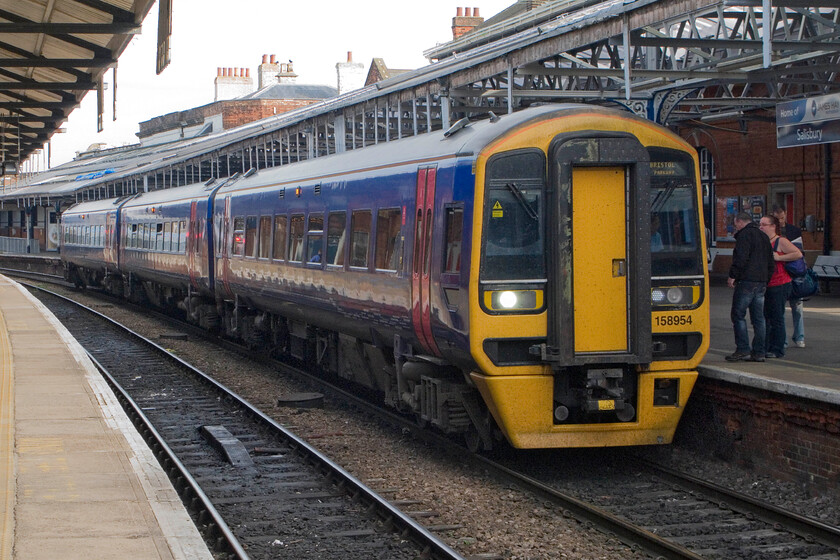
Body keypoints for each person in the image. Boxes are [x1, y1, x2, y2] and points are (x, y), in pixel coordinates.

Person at [726, 212, 774, 362]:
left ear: (740, 221)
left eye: (736, 224)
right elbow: (770, 261)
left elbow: (741, 258)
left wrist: (733, 275)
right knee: (758, 318)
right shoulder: (764, 236)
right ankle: (759, 352)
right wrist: (766, 278)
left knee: (738, 315)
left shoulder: (744, 236)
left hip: (747, 281)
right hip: (761, 282)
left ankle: (743, 349)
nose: (735, 227)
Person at [759, 214, 802, 358]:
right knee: (767, 316)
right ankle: (768, 346)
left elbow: (797, 254)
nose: (761, 227)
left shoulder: (780, 241)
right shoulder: (763, 241)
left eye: (764, 224)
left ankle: (778, 349)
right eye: (760, 224)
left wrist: (779, 257)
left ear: (773, 226)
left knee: (777, 317)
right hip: (767, 283)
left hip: (780, 283)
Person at [772, 205, 805, 348]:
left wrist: (781, 256)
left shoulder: (794, 230)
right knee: (780, 310)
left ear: (785, 214)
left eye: (782, 217)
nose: (780, 221)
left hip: (793, 272)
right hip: (779, 275)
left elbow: (799, 252)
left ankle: (799, 336)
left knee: (797, 306)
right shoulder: (771, 233)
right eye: (777, 218)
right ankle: (783, 340)